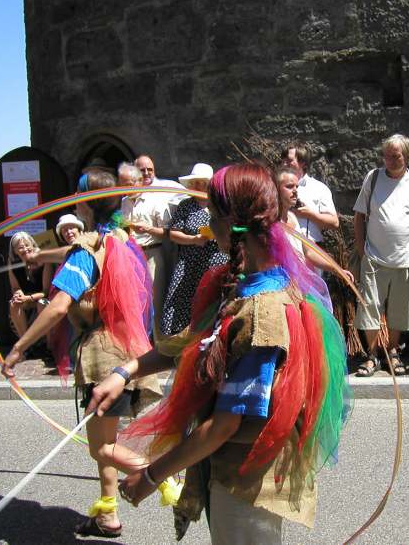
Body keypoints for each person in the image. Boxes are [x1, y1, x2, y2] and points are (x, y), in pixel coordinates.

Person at [88, 162, 351, 544]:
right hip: (226, 471)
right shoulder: (238, 287)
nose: (208, 229)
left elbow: (225, 425)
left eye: (213, 217)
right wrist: (124, 372)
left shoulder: (264, 313)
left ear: (233, 224)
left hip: (248, 484)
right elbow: (191, 345)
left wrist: (150, 477)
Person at [2, 167, 162, 537]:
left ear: (83, 206)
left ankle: (166, 476)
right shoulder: (121, 238)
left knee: (102, 448)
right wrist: (43, 256)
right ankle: (107, 513)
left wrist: (19, 349)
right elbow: (80, 249)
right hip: (131, 352)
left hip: (103, 359)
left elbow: (59, 306)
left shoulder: (85, 252)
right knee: (106, 439)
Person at [353, 134, 409, 377]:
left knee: (400, 310)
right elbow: (359, 216)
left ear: (407, 157)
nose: (389, 160)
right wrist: (360, 249)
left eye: (395, 156)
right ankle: (373, 355)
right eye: (386, 155)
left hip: (404, 260)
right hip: (374, 258)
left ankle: (394, 351)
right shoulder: (374, 177)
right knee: (370, 309)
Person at [160, 163, 228, 336]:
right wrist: (193, 240)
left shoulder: (221, 205)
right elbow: (173, 233)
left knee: (212, 300)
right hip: (190, 263)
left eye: (202, 182)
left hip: (215, 262)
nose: (198, 186)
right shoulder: (186, 205)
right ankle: (179, 340)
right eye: (195, 182)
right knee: (182, 299)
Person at [119, 161, 176, 338]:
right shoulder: (124, 202)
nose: (125, 188)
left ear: (138, 181)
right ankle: (141, 345)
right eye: (123, 184)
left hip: (152, 254)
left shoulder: (155, 199)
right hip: (130, 256)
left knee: (155, 301)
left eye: (128, 184)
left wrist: (148, 229)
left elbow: (168, 231)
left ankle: (159, 347)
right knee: (135, 302)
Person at [274, 165, 353, 280]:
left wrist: (337, 269)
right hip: (280, 282)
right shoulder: (270, 222)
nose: (295, 191)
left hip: (297, 281)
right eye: (289, 187)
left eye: (296, 186)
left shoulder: (292, 218)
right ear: (276, 189)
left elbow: (309, 252)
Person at [281, 142, 339, 244]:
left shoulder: (319, 188)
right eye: (283, 160)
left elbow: (334, 223)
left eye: (289, 160)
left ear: (302, 162)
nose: (284, 164)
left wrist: (309, 214)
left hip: (312, 247)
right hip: (285, 246)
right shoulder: (276, 186)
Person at [7, 232, 52, 338]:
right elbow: (15, 287)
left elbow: (46, 291)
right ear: (15, 251)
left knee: (42, 303)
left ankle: (49, 346)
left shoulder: (44, 260)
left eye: (27, 245)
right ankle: (25, 344)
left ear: (33, 245)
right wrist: (18, 295)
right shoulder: (12, 263)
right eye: (21, 247)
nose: (25, 249)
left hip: (43, 298)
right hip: (27, 299)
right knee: (13, 303)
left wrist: (27, 298)